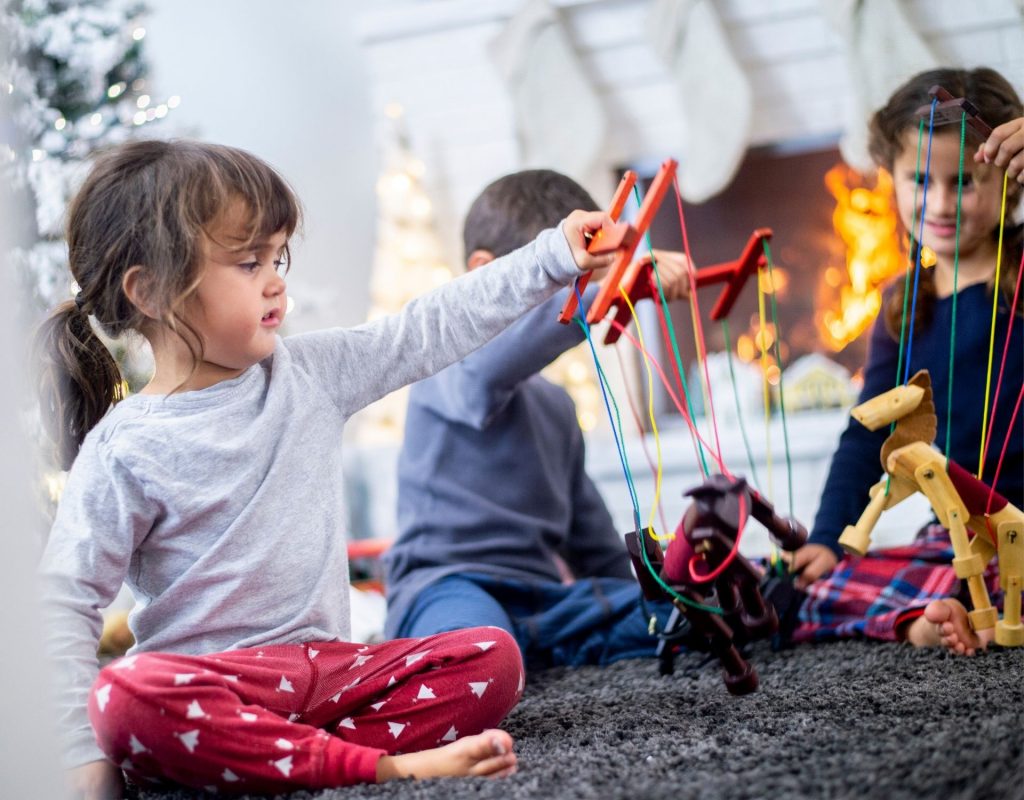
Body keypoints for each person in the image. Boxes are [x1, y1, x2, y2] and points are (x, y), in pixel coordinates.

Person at [36, 141, 615, 799]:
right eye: (248, 262)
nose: (277, 280)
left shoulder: (312, 374)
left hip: (329, 677)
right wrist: (84, 757)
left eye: (277, 257)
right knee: (122, 696)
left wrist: (554, 256)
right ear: (152, 291)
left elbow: (433, 325)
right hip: (214, 691)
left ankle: (278, 758)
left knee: (491, 658)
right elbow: (65, 603)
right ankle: (374, 768)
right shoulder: (123, 450)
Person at [383, 169, 690, 668]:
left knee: (692, 613)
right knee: (476, 653)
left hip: (543, 601)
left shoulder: (558, 406)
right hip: (446, 588)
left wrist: (649, 598)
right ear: (483, 273)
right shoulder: (445, 366)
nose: (581, 294)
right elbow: (495, 363)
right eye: (561, 282)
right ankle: (515, 655)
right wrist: (602, 293)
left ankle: (547, 648)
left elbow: (591, 536)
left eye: (586, 281)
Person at [789, 67, 1024, 655]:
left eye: (964, 182)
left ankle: (956, 613)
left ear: (1012, 185)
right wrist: (826, 538)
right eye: (920, 179)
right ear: (889, 178)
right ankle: (931, 620)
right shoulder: (902, 304)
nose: (939, 203)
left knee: (994, 577)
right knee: (810, 592)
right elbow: (867, 432)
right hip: (958, 538)